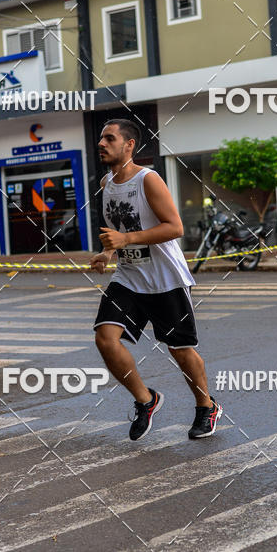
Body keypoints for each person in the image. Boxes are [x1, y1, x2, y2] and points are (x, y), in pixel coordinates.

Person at [90, 118, 222, 441]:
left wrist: (126, 240)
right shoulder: (107, 185)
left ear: (129, 145)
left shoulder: (148, 180)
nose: (101, 144)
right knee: (105, 338)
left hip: (165, 279)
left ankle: (206, 406)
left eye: (109, 138)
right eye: (101, 139)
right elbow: (116, 234)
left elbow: (174, 227)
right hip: (130, 278)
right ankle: (145, 400)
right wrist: (107, 253)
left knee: (180, 350)